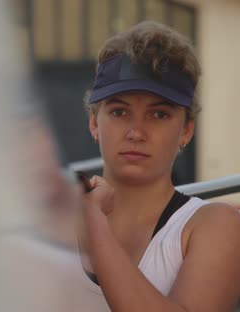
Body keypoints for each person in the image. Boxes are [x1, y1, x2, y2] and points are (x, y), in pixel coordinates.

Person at [80, 21, 240, 311]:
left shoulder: (212, 226)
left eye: (159, 115)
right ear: (94, 123)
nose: (136, 132)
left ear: (187, 130)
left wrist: (94, 223)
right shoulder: (56, 220)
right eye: (119, 111)